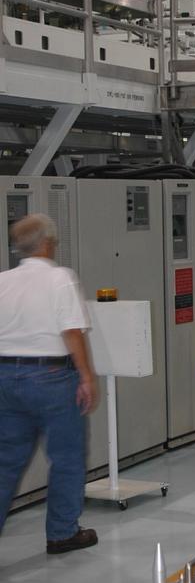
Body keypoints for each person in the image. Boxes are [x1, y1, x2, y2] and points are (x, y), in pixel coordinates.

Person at [0, 214, 99, 554]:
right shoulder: (60, 278)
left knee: (5, 461)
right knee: (67, 457)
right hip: (52, 379)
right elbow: (71, 331)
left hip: (6, 378)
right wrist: (86, 377)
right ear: (47, 243)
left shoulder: (2, 281)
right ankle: (62, 532)